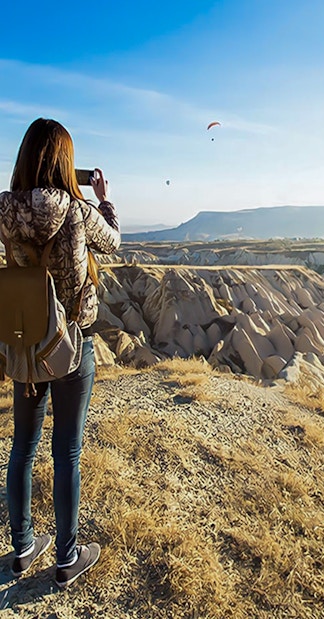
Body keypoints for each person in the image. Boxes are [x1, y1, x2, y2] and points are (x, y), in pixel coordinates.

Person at [0, 118, 121, 588]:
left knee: (22, 448)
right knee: (66, 450)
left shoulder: (5, 210)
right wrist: (102, 198)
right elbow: (114, 240)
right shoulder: (76, 209)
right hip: (71, 341)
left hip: (24, 339)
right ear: (67, 165)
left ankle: (23, 546)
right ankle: (68, 558)